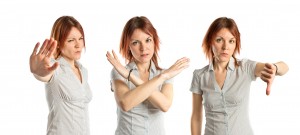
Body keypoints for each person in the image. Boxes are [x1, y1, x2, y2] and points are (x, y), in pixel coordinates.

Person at [190, 17, 289, 135]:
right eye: (219, 40)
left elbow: (284, 67)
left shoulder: (245, 68)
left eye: (231, 41)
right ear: (210, 41)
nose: (225, 47)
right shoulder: (199, 76)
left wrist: (275, 68)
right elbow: (196, 116)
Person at [106, 16, 190, 135]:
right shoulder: (118, 72)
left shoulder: (165, 74)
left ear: (154, 41)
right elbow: (125, 103)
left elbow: (165, 105)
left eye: (148, 40)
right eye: (135, 43)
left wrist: (131, 77)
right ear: (128, 47)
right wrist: (160, 78)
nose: (143, 48)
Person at [29, 16, 92, 135]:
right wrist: (37, 71)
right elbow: (44, 75)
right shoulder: (54, 67)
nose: (78, 45)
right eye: (71, 40)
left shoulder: (83, 71)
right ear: (57, 43)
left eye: (80, 38)